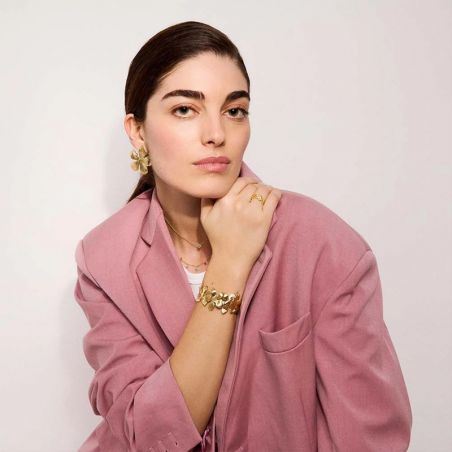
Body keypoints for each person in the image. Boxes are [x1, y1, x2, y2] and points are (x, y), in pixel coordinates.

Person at [73, 21, 412, 452]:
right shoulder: (103, 258)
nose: (216, 134)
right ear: (137, 130)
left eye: (234, 110)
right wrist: (229, 265)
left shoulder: (324, 245)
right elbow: (151, 435)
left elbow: (370, 438)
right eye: (185, 109)